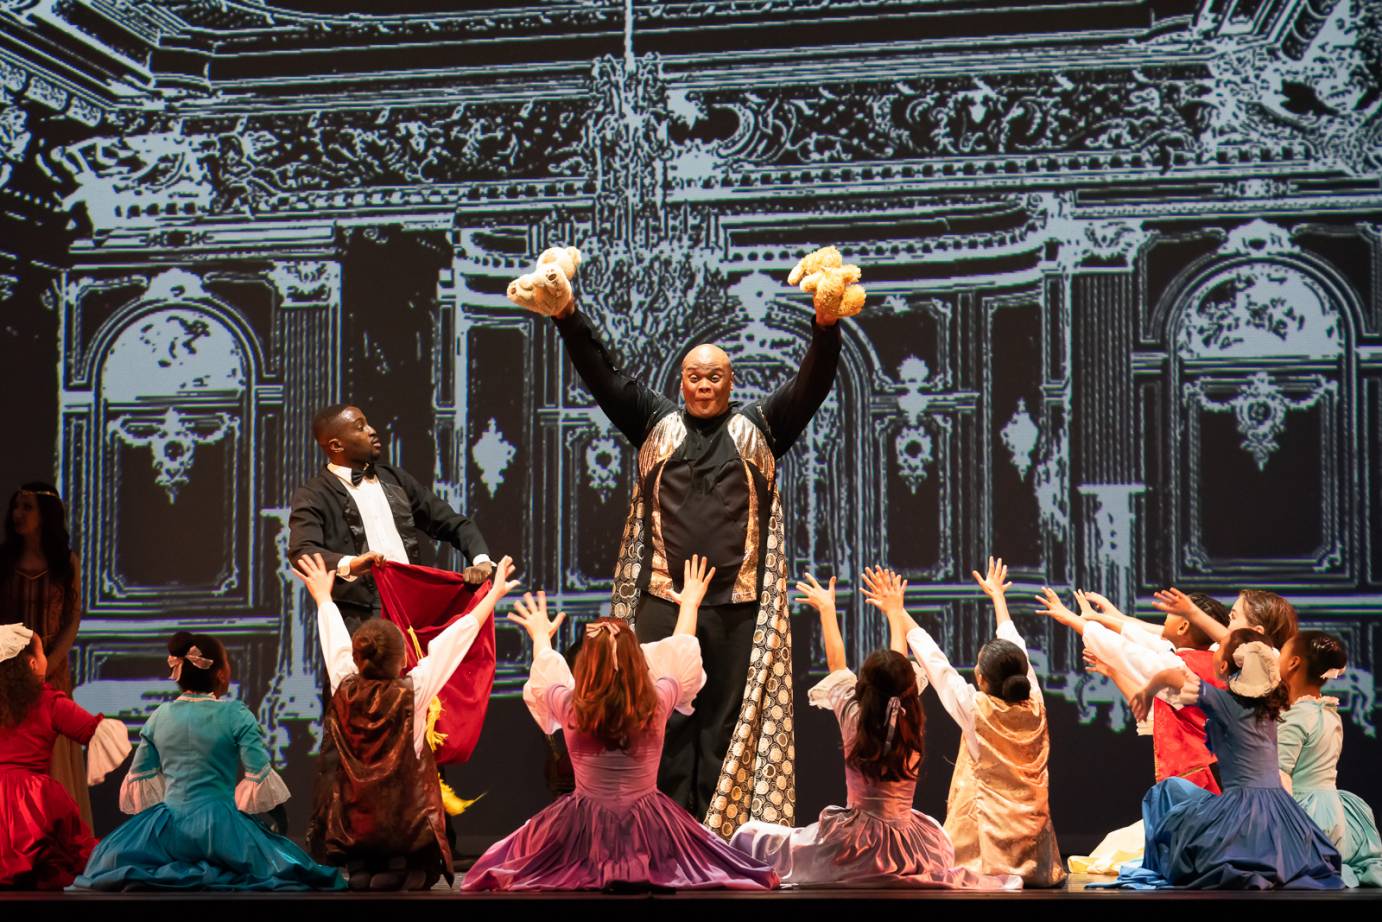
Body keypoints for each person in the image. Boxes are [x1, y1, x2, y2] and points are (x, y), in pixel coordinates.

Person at [509, 245, 861, 835]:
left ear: (731, 382)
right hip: (661, 602)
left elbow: (811, 385)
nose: (703, 386)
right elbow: (604, 378)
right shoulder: (656, 424)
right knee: (659, 724)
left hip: (737, 608)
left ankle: (717, 840)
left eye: (714, 377)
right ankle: (662, 834)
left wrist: (825, 327)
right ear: (681, 381)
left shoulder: (758, 427)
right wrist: (567, 315)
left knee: (723, 728)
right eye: (694, 377)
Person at [463, 556, 778, 891]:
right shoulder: (654, 703)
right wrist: (689, 605)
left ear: (587, 664)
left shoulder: (571, 706)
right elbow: (680, 651)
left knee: (518, 857)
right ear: (635, 659)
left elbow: (546, 667)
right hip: (648, 826)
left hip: (585, 827)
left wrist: (541, 634)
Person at [730, 572, 1020, 889]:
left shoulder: (854, 719)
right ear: (908, 687)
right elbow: (898, 668)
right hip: (909, 847)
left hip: (854, 845)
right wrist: (895, 612)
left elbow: (837, 665)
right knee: (942, 844)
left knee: (749, 836)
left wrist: (827, 610)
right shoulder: (909, 719)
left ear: (864, 687)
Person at [293, 552, 519, 890]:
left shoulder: (344, 685)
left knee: (366, 839)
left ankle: (367, 867)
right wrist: (493, 594)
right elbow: (457, 638)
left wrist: (324, 598)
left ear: (358, 657)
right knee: (410, 823)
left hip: (356, 818)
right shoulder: (414, 690)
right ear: (403, 660)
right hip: (404, 823)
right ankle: (401, 866)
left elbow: (335, 643)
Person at [73, 632, 343, 891]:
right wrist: (277, 825)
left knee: (115, 861)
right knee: (287, 867)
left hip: (172, 826)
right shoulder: (235, 714)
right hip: (221, 829)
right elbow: (259, 772)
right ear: (220, 674)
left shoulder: (159, 716)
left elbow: (140, 775)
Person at [866, 558, 1066, 887]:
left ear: (981, 678)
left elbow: (936, 664)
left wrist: (898, 611)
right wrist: (998, 597)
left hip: (990, 856)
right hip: (1034, 851)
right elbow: (1017, 649)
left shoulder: (976, 710)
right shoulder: (1036, 704)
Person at [1106, 627, 1343, 889]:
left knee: (1165, 794)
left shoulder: (1226, 703)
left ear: (1223, 665)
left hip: (1243, 807)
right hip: (1279, 808)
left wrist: (1148, 691)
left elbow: (1173, 675)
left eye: (1220, 647)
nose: (1216, 648)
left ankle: (1161, 864)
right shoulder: (1270, 705)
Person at [288, 404, 493, 633]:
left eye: (368, 423)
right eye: (360, 427)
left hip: (413, 611)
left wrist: (481, 560)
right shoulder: (314, 494)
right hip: (362, 621)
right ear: (336, 445)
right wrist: (351, 564)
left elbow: (451, 522)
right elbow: (302, 551)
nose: (372, 430)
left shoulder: (395, 479)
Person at [0, 625, 129, 889]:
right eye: (42, 653)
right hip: (32, 802)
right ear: (33, 663)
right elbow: (93, 730)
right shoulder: (47, 701)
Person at [1, 483, 89, 827]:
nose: (17, 514)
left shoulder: (66, 563)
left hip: (52, 671)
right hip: (8, 673)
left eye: (27, 507)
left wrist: (47, 665)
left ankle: (53, 835)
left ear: (45, 515)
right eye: (16, 506)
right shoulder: (4, 561)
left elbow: (71, 619)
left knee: (53, 753)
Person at [1278, 630, 1382, 887]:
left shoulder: (1297, 717)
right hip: (1332, 809)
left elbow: (1280, 773)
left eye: (1282, 653)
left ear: (1293, 662)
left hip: (1307, 810)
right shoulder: (1327, 712)